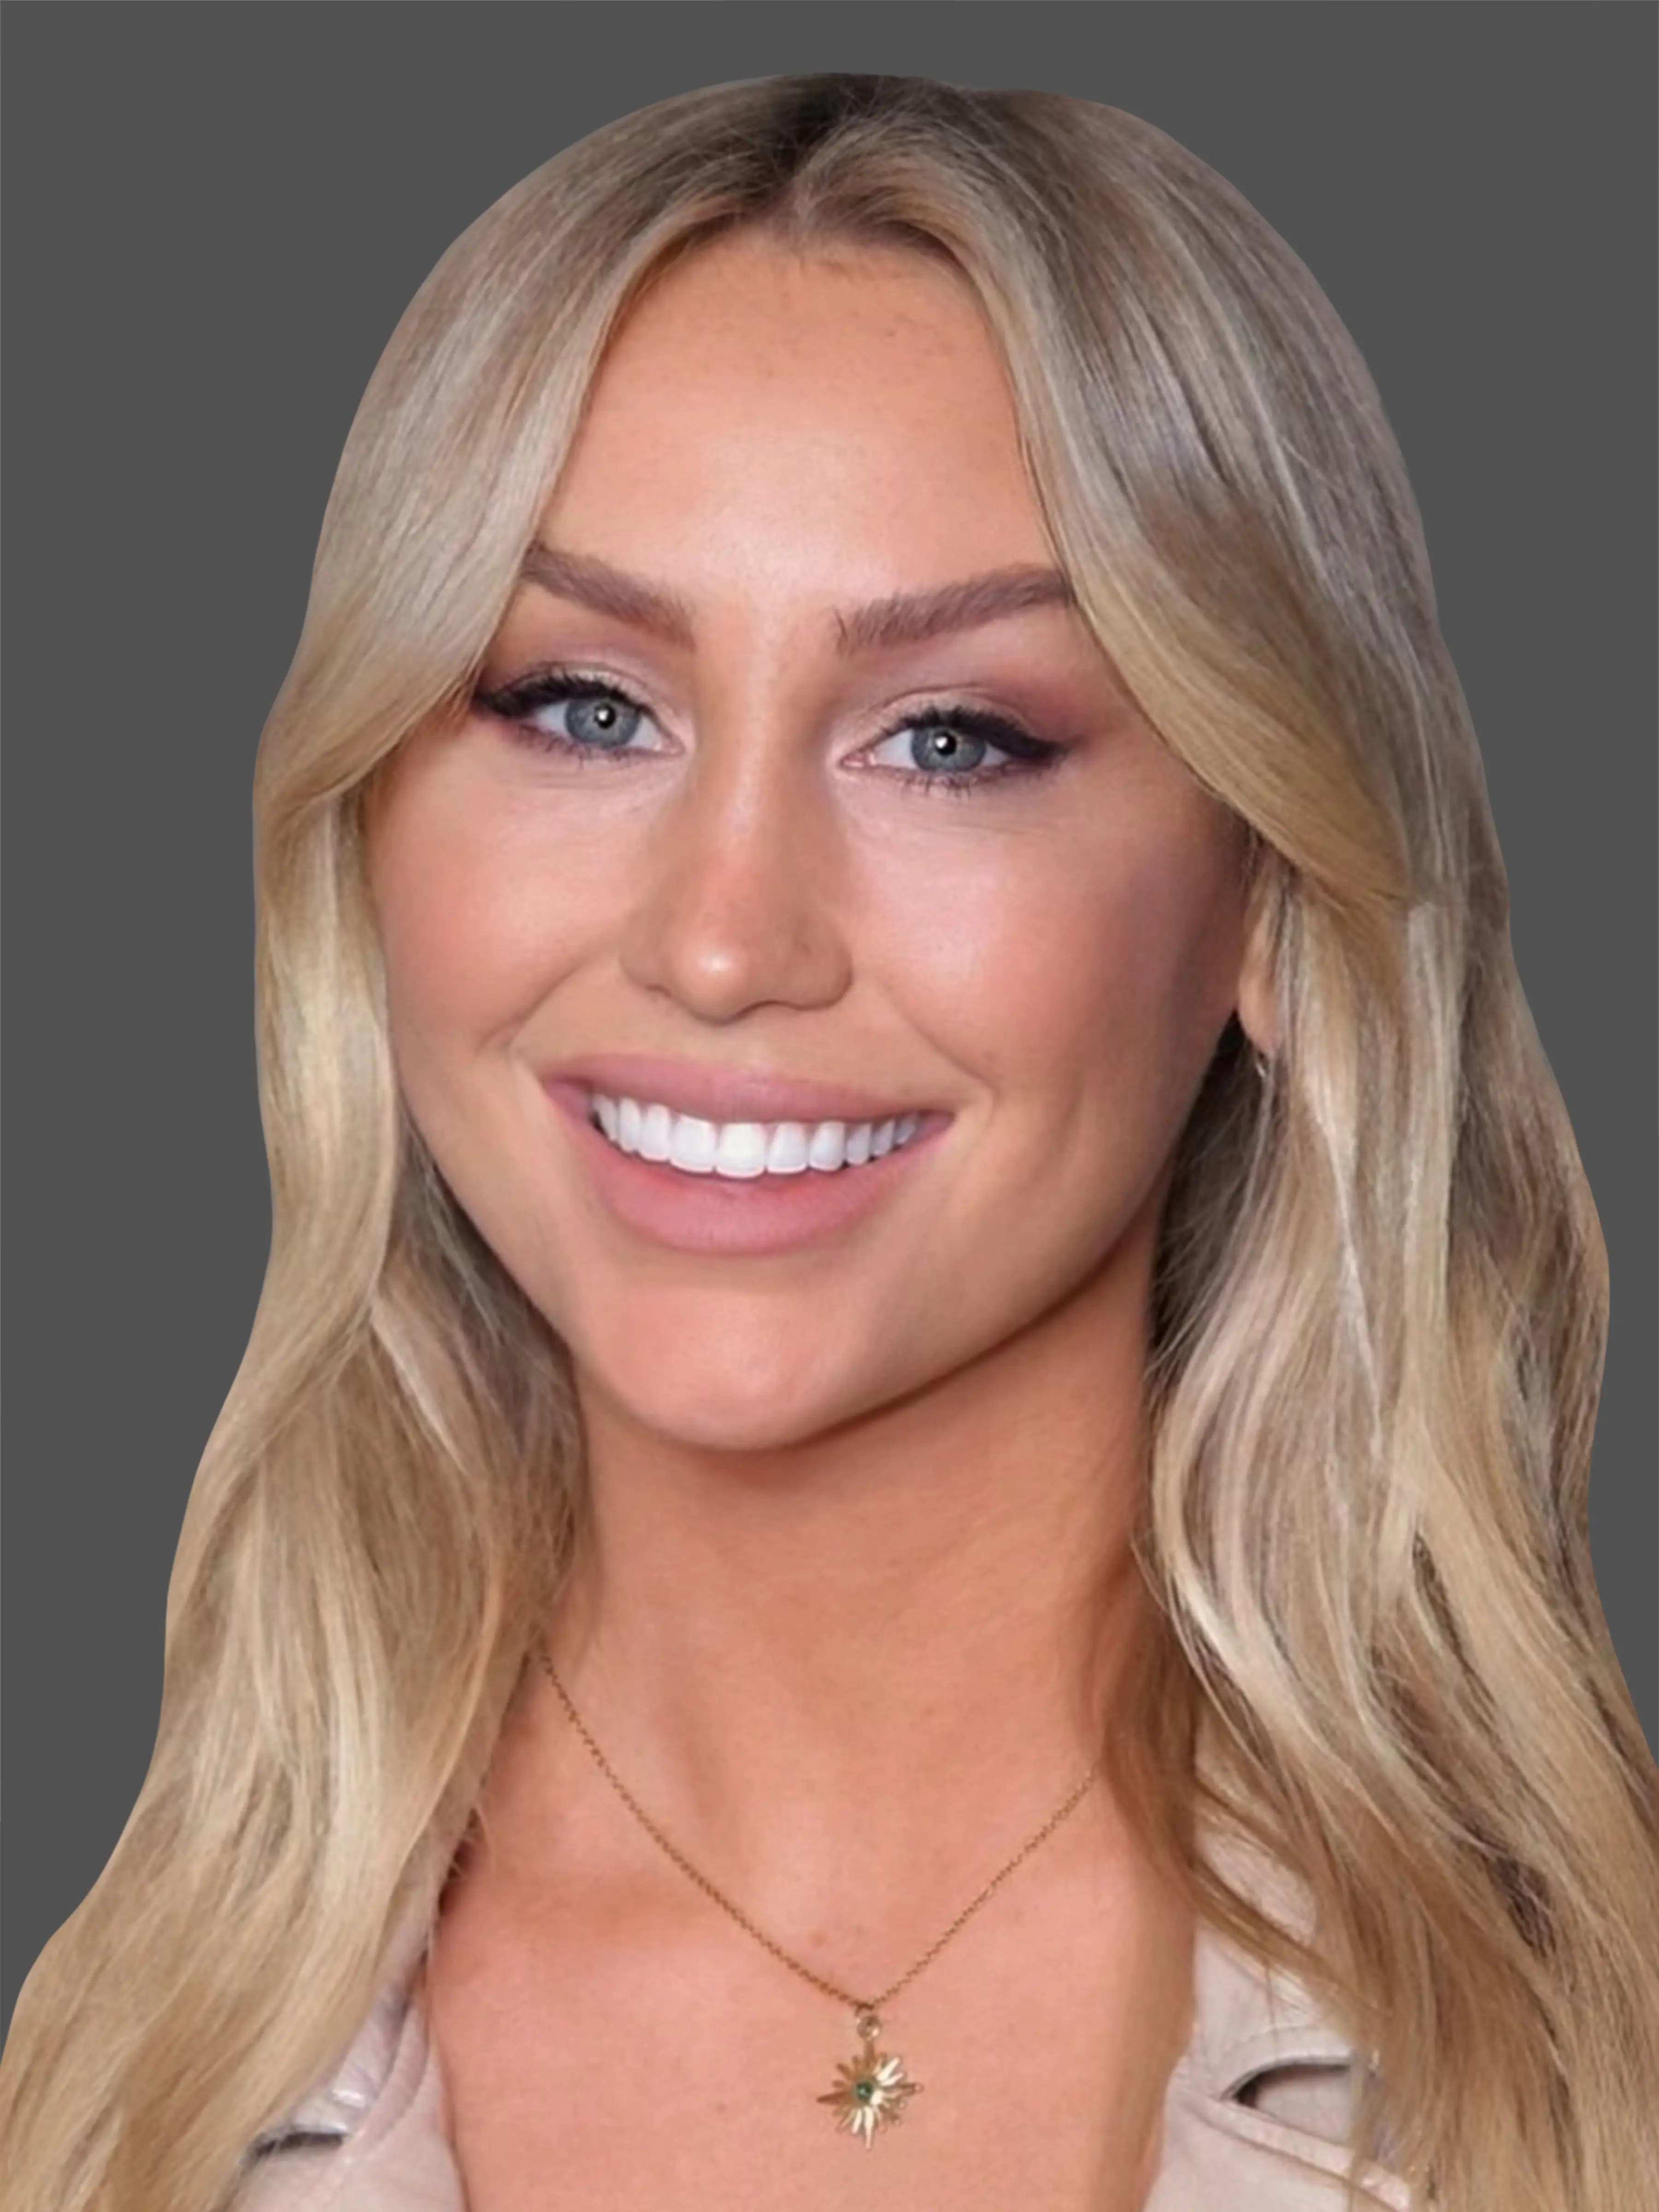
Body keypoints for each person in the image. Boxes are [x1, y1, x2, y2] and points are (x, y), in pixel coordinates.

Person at [2, 70, 1654, 2212]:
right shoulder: (107, 2092)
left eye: (953, 737)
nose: (720, 941)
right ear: (371, 827)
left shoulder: (1601, 2067)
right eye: (583, 706)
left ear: (1269, 896)